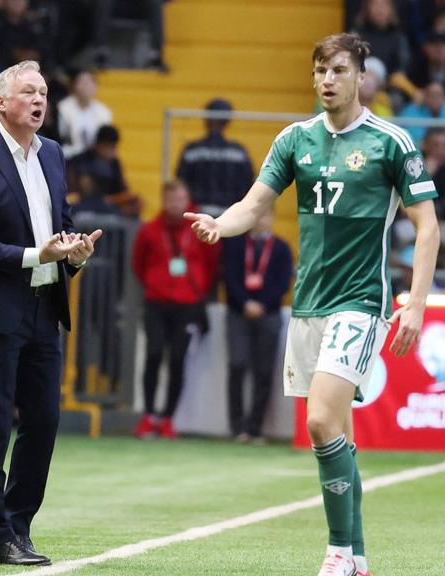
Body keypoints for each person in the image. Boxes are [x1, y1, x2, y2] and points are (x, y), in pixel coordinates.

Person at [186, 33, 440, 576]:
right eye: (320, 70)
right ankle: (359, 557)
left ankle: (336, 552)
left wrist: (415, 304)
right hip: (307, 305)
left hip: (359, 301)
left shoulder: (391, 142)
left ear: (361, 78)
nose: (327, 79)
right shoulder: (294, 139)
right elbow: (254, 206)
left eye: (339, 70)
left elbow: (428, 228)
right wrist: (219, 224)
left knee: (321, 421)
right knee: (337, 435)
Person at [0, 60, 102, 566]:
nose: (39, 100)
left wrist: (75, 251)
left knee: (45, 421)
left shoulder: (53, 154)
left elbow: (63, 222)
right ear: (1, 104)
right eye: (29, 92)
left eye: (44, 92)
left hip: (44, 306)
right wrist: (40, 255)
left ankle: (18, 525)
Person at [131, 180, 219, 440]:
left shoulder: (199, 229)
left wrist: (197, 287)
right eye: (171, 199)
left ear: (187, 199)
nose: (176, 204)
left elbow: (212, 262)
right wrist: (155, 283)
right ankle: (148, 416)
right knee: (154, 353)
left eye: (180, 199)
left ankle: (168, 418)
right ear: (163, 200)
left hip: (187, 302)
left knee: (178, 359)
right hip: (156, 301)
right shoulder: (149, 230)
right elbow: (138, 264)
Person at [221, 207, 293, 444]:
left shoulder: (281, 248)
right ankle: (237, 427)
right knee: (237, 365)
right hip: (238, 312)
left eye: (265, 215)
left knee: (264, 371)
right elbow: (229, 276)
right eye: (258, 216)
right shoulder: (235, 245)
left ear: (272, 217)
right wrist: (245, 303)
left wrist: (262, 304)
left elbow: (283, 283)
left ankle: (255, 428)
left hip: (269, 313)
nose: (261, 221)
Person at [175, 98, 255, 217]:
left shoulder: (192, 150)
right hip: (230, 220)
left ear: (205, 119)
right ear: (228, 122)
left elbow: (180, 183)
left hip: (197, 219)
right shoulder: (238, 152)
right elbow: (249, 186)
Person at [56, 69, 112, 158]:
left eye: (89, 83)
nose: (86, 87)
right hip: (70, 155)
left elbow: (105, 140)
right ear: (74, 85)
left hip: (95, 158)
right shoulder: (63, 108)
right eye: (82, 82)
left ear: (95, 87)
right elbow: (61, 136)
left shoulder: (104, 112)